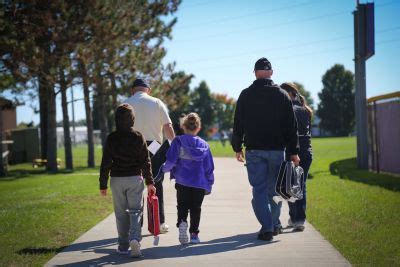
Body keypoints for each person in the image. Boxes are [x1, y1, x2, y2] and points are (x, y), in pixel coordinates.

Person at [231, 57, 300, 241]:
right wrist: (293, 152)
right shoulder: (282, 95)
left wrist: (237, 147)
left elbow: (238, 124)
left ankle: (268, 226)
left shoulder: (245, 94)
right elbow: (291, 127)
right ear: (271, 72)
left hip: (254, 150)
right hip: (277, 150)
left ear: (255, 73)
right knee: (275, 191)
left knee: (259, 191)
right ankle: (273, 224)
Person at [99, 104, 156, 257]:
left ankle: (123, 246)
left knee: (120, 214)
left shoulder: (112, 138)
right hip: (134, 179)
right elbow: (146, 161)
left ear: (116, 119)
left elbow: (106, 162)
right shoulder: (138, 136)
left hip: (117, 180)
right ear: (132, 119)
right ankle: (135, 239)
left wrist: (102, 184)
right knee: (136, 211)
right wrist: (150, 182)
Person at [124, 78, 175, 233]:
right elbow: (167, 126)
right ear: (149, 90)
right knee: (156, 184)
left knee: (135, 186)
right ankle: (159, 223)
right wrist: (176, 145)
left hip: (132, 146)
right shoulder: (157, 102)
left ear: (133, 90)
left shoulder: (126, 104)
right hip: (154, 146)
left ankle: (135, 226)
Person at [161, 113, 215, 244]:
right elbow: (209, 168)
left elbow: (171, 161)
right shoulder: (205, 145)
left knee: (182, 206)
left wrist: (161, 170)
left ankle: (182, 223)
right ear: (198, 127)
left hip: (182, 181)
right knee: (196, 208)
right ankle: (194, 234)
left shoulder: (178, 141)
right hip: (199, 183)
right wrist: (210, 182)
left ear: (183, 126)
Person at [280, 82, 313, 232]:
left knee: (290, 186)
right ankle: (297, 219)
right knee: (300, 186)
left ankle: (297, 219)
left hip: (292, 152)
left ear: (289, 93)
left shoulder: (287, 109)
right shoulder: (306, 110)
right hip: (307, 153)